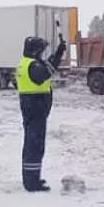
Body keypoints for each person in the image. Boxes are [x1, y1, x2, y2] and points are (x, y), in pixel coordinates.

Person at [16, 36, 66, 192]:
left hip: (32, 109)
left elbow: (46, 66)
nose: (43, 53)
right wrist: (57, 55)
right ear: (35, 51)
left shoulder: (27, 63)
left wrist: (57, 54)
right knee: (34, 147)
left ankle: (32, 178)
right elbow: (45, 72)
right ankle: (31, 183)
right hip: (35, 109)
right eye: (41, 50)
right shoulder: (31, 66)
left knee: (33, 145)